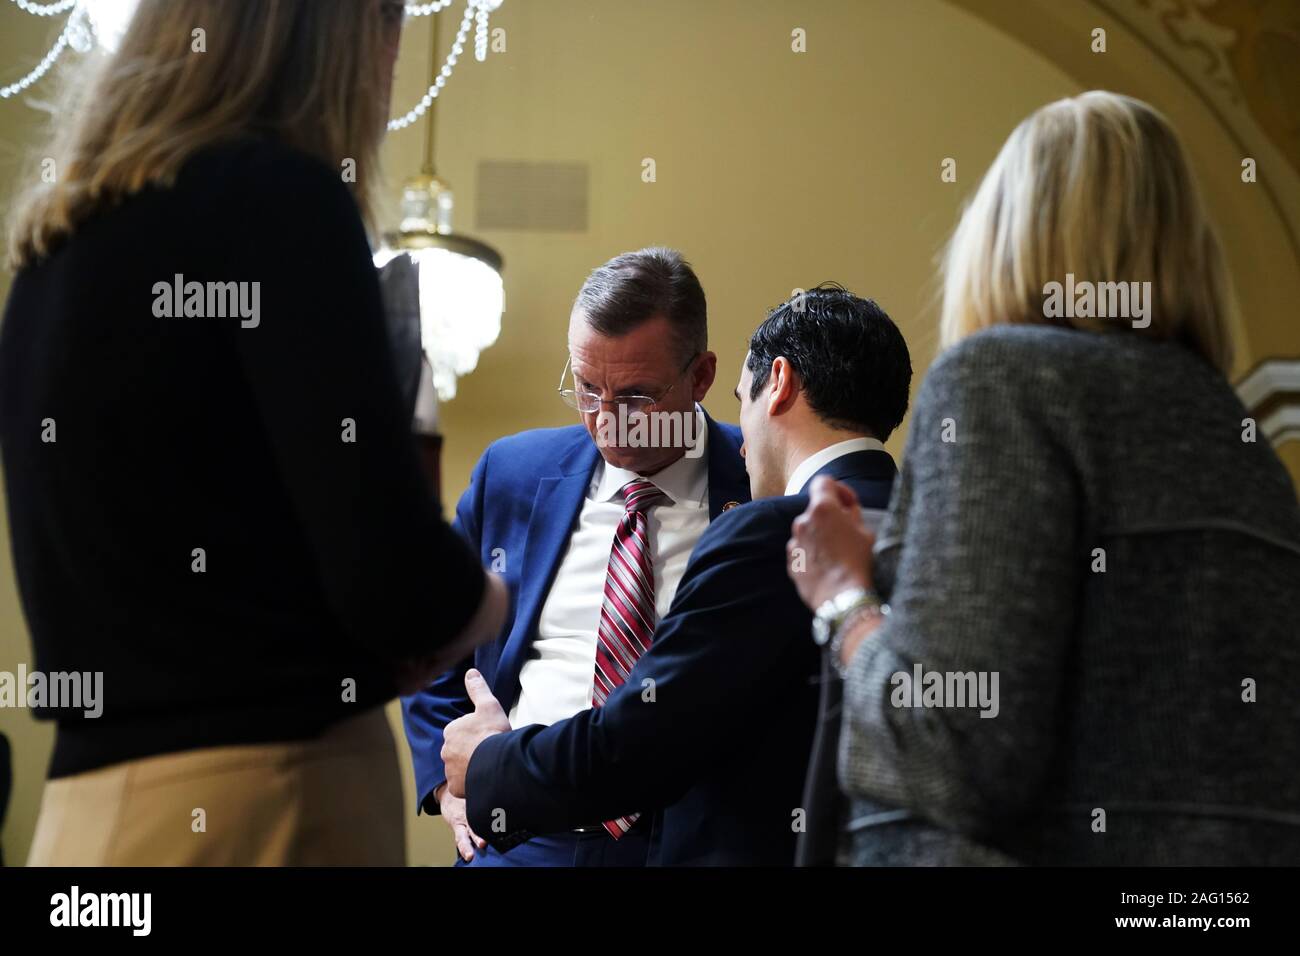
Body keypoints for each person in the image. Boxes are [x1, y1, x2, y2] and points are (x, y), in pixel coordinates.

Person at [0, 0, 505, 866]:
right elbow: (393, 579)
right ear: (333, 36)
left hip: (87, 813)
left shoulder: (53, 250)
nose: (392, 61)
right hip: (261, 800)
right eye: (387, 21)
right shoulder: (278, 199)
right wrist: (486, 599)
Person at [787, 91, 1300, 866]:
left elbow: (951, 749)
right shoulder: (1243, 444)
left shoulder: (1004, 380)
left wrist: (845, 598)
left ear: (1006, 229)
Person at [441, 285, 911, 866]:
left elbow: (639, 741)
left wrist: (489, 762)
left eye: (743, 397)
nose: (608, 419)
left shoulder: (768, 530)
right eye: (586, 390)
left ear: (778, 383)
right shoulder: (935, 527)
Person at [401, 247, 750, 866]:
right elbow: (428, 633)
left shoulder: (760, 487)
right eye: (587, 389)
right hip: (517, 839)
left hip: (685, 844)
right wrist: (444, 787)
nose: (606, 423)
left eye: (637, 397)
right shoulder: (511, 473)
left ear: (701, 377)